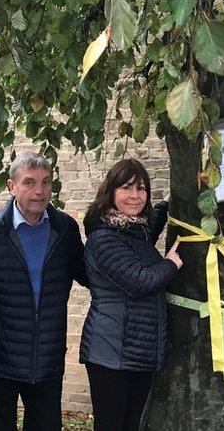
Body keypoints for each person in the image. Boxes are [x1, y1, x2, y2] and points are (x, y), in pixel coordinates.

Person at [0, 152, 87, 431]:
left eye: (46, 182)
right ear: (11, 186)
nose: (40, 191)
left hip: (47, 360)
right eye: (29, 182)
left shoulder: (65, 229)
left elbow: (93, 273)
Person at [79, 158, 182, 431]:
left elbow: (152, 224)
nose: (135, 195)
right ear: (111, 192)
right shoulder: (104, 238)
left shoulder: (133, 230)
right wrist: (171, 264)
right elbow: (139, 281)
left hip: (138, 351)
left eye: (141, 188)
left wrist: (174, 200)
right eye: (127, 188)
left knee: (130, 425)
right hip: (110, 353)